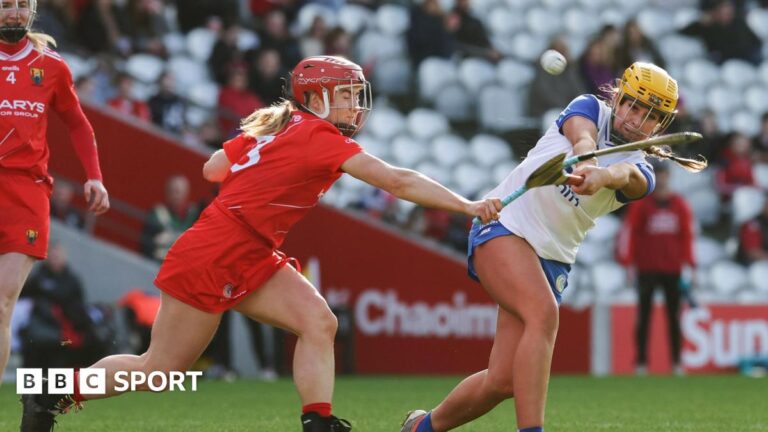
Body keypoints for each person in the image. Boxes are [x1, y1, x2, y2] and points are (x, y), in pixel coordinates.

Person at [20, 55, 501, 432]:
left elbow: (212, 169)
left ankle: (318, 421)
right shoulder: (318, 136)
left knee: (318, 322)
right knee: (159, 370)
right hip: (218, 250)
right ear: (315, 99)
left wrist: (260, 155)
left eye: (357, 95)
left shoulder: (281, 127)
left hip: (247, 247)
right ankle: (50, 392)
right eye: (346, 96)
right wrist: (467, 205)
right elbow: (397, 181)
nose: (356, 106)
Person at [400, 62, 706, 432]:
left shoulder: (643, 170)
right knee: (544, 315)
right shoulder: (589, 107)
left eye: (649, 116)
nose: (636, 119)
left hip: (551, 261)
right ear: (619, 97)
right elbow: (582, 135)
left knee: (502, 381)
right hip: (505, 226)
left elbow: (624, 176)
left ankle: (420, 428)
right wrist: (587, 157)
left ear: (660, 125)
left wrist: (602, 176)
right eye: (632, 105)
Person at [0, 0, 109, 387]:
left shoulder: (51, 66)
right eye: (6, 5)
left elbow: (77, 123)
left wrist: (94, 176)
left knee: (3, 302)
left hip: (26, 192)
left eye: (21, 6)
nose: (14, 13)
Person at [616, 162, 696, 376]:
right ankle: (641, 362)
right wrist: (628, 263)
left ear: (669, 176)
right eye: (658, 174)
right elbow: (630, 234)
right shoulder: (641, 204)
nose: (661, 179)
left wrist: (690, 264)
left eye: (664, 174)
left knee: (674, 317)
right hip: (646, 268)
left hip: (672, 268)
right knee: (644, 317)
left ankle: (677, 362)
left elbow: (687, 237)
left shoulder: (680, 205)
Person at [139, 174, 201, 262]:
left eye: (178, 192)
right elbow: (145, 245)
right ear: (167, 192)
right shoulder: (157, 213)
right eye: (172, 191)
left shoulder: (195, 215)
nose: (176, 195)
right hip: (158, 264)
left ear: (186, 193)